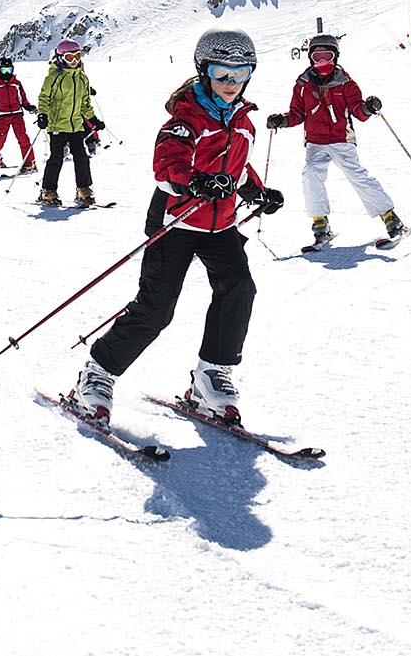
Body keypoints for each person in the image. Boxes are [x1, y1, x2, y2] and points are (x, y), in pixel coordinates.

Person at [69, 27, 282, 425]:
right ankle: (97, 373)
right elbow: (167, 166)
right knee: (157, 308)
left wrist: (258, 191)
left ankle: (210, 375)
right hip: (176, 219)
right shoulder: (185, 121)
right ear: (204, 71)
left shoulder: (243, 122)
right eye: (222, 73)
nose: (232, 83)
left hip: (220, 224)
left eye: (241, 74)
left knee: (239, 289)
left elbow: (238, 166)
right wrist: (196, 181)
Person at [266, 32, 408, 249]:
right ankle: (320, 224)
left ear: (336, 57)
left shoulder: (346, 83)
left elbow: (358, 111)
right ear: (310, 58)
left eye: (327, 57)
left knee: (357, 175)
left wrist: (368, 108)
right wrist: (282, 121)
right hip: (315, 141)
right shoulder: (303, 84)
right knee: (311, 174)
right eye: (317, 57)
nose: (322, 62)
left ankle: (390, 218)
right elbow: (297, 114)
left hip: (342, 139)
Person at [35, 39, 100, 206]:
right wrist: (42, 115)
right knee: (56, 158)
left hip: (76, 125)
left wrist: (93, 119)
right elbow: (44, 98)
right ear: (61, 58)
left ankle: (83, 188)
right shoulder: (54, 77)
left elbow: (85, 103)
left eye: (77, 56)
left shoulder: (82, 78)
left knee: (81, 157)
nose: (74, 61)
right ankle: (48, 190)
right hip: (57, 125)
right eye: (70, 57)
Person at [0, 57, 37, 175]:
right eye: (4, 70)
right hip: (3, 116)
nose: (6, 73)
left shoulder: (16, 83)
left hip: (17, 114)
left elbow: (22, 96)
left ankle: (29, 161)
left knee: (22, 137)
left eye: (9, 70)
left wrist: (27, 106)